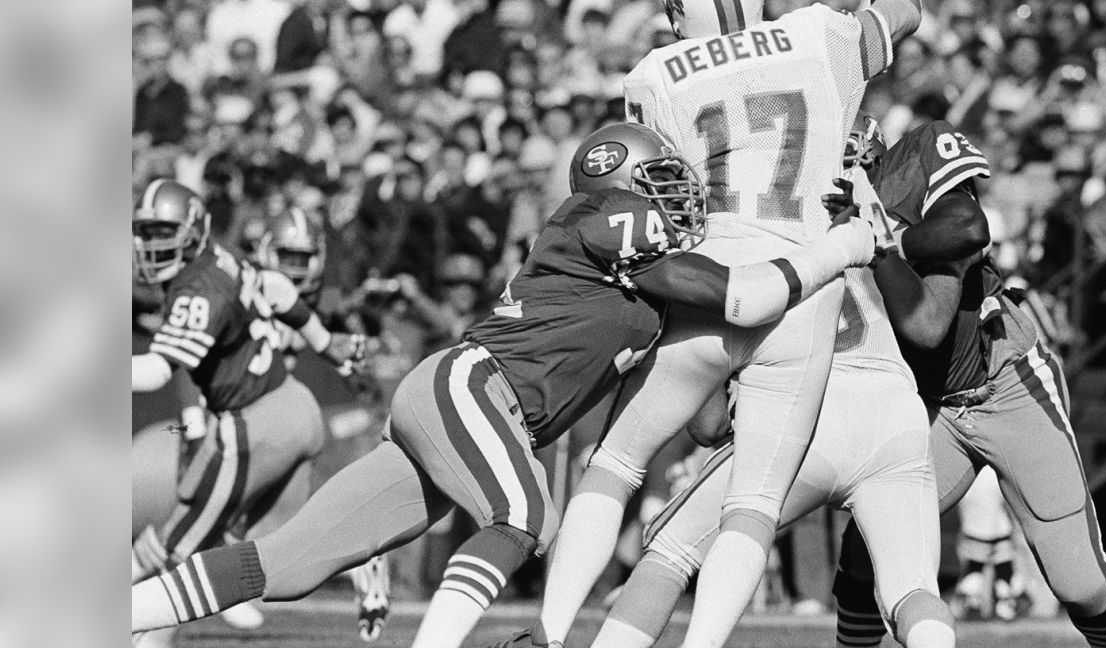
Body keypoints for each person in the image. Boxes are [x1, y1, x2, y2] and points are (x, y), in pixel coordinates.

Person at [130, 123, 878, 648]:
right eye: (658, 185)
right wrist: (840, 245)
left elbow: (702, 412)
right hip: (474, 386)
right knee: (525, 514)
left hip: (463, 407)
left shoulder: (644, 291)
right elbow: (743, 297)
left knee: (290, 566)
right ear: (619, 183)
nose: (674, 204)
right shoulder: (601, 215)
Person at [515, 0, 924, 648]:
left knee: (614, 464)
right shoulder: (822, 34)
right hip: (808, 289)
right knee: (754, 506)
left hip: (711, 283)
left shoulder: (653, 75)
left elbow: (659, 196)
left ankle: (548, 634)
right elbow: (904, 8)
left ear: (683, 11)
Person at [586, 115, 956, 648]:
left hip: (807, 412)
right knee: (911, 592)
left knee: (670, 552)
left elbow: (710, 425)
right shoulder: (884, 230)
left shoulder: (753, 233)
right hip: (894, 411)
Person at [830, 117, 1106, 648]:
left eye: (851, 160)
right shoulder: (801, 217)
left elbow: (967, 233)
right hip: (927, 404)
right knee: (863, 558)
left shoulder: (918, 165)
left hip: (1004, 382)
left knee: (1080, 584)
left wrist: (883, 239)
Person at [130, 180, 366, 592]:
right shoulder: (220, 259)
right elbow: (277, 290)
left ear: (192, 231)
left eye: (163, 233)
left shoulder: (199, 287)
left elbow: (158, 371)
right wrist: (325, 342)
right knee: (261, 545)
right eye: (147, 233)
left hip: (257, 421)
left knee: (184, 534)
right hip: (291, 409)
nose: (152, 244)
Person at [253, 207, 393, 642]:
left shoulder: (332, 303)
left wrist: (361, 350)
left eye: (302, 257)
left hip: (323, 413)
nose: (295, 268)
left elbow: (371, 350)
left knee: (333, 496)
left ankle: (366, 562)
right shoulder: (248, 292)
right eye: (287, 257)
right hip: (266, 412)